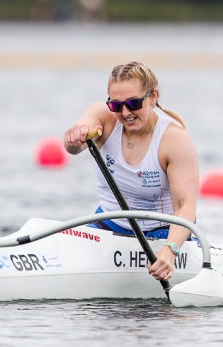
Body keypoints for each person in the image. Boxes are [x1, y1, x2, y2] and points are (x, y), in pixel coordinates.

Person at [63, 61, 199, 283]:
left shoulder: (175, 139)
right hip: (108, 224)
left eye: (133, 103)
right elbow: (72, 148)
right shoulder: (103, 116)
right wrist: (75, 136)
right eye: (116, 106)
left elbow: (186, 206)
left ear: (153, 97)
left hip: (161, 233)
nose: (125, 113)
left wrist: (170, 250)